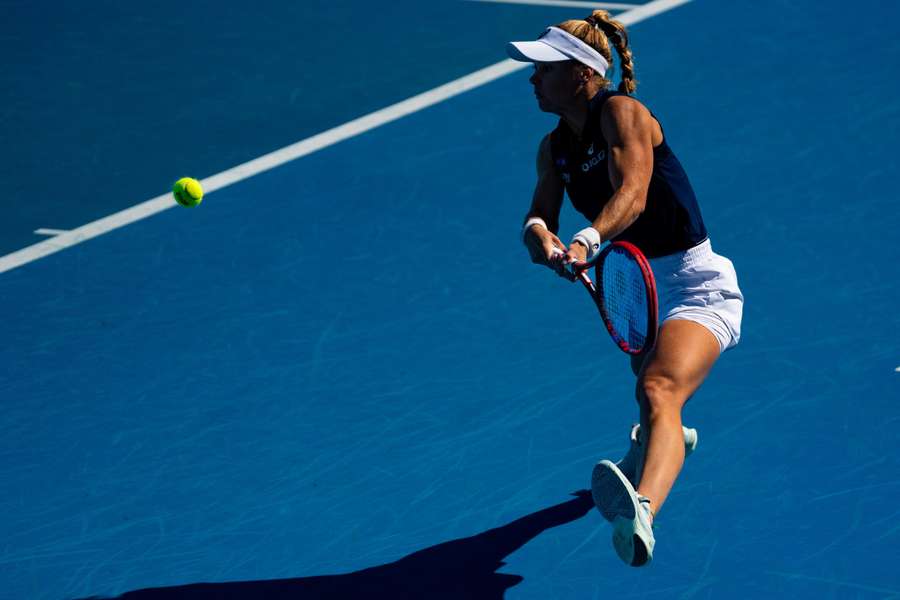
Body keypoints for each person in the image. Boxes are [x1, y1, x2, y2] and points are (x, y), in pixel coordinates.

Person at [507, 11, 744, 567]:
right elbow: (538, 214)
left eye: (544, 69)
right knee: (656, 397)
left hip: (693, 285)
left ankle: (642, 511)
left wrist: (585, 241)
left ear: (584, 74)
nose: (532, 79)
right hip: (635, 289)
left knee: (659, 389)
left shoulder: (622, 113)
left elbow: (633, 194)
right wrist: (540, 237)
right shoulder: (553, 148)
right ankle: (662, 440)